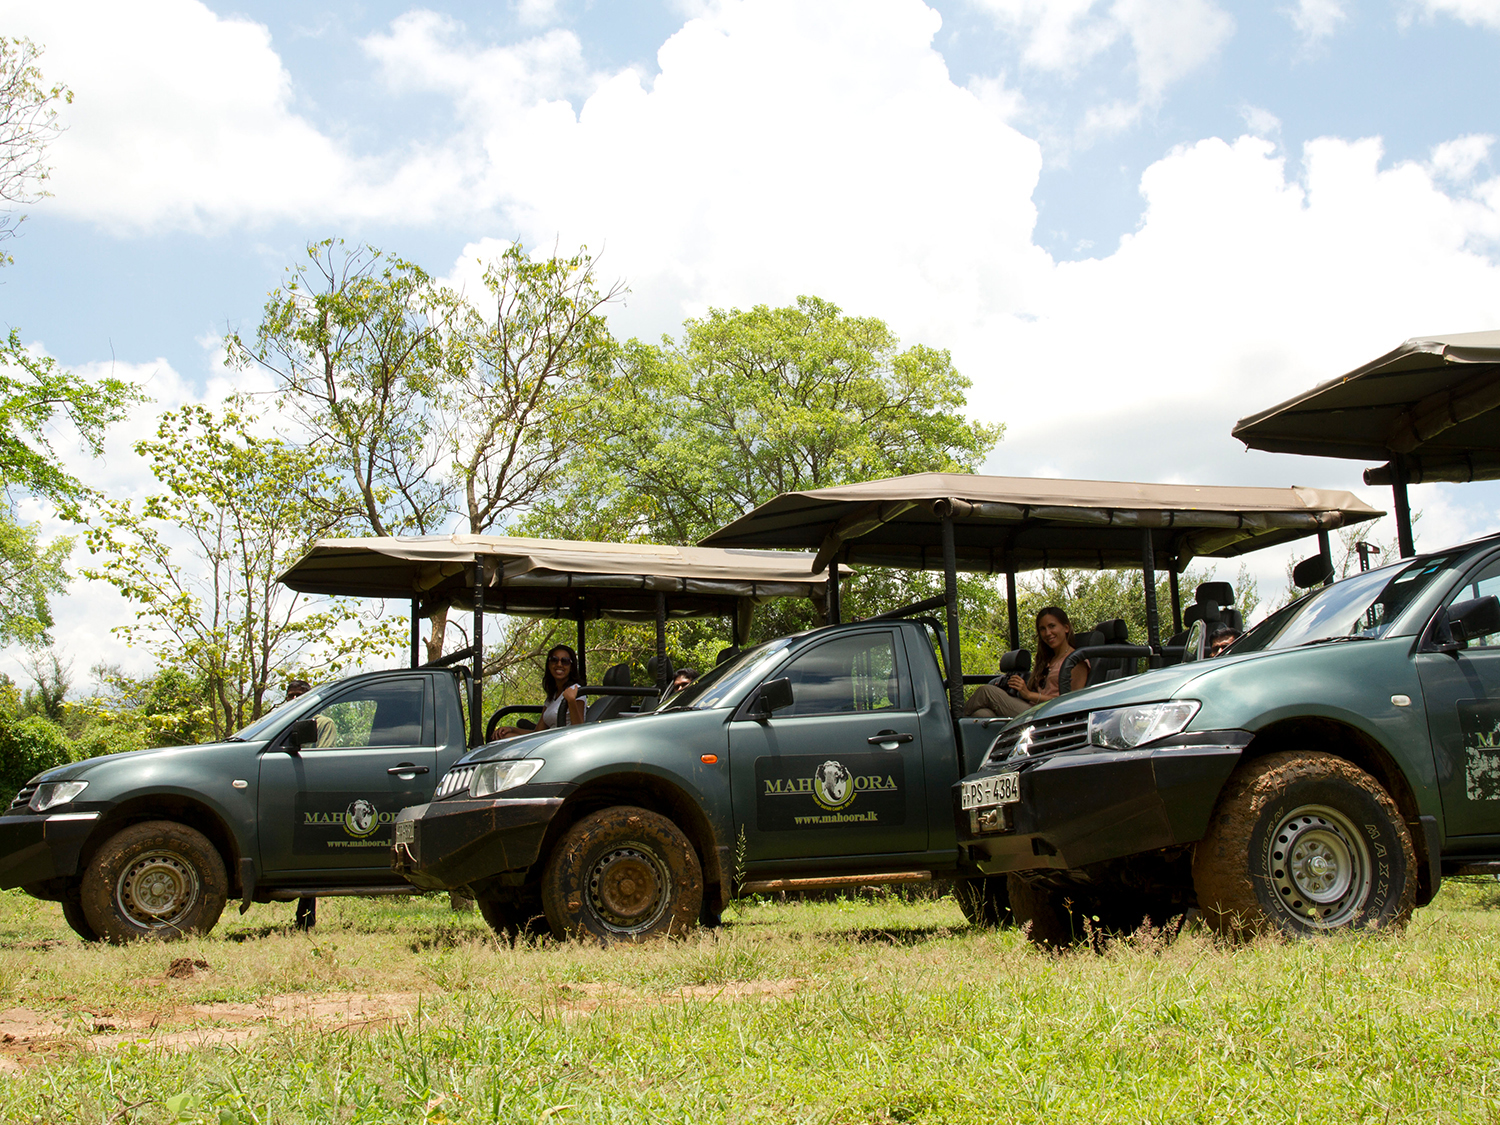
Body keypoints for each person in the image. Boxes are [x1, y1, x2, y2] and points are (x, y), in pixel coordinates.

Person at [964, 607, 1090, 719]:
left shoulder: (1076, 661)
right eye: (1042, 629)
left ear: (1066, 628)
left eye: (1052, 626)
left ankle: (948, 725)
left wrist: (1029, 695)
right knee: (982, 715)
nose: (1047, 633)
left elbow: (1071, 702)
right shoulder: (1048, 660)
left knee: (986, 691)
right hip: (1033, 709)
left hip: (1050, 714)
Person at [490, 645, 588, 739]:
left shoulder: (575, 691)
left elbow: (579, 731)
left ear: (571, 667)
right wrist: (511, 729)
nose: (559, 664)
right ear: (549, 665)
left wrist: (571, 701)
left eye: (565, 661)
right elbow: (537, 733)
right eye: (554, 660)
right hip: (545, 740)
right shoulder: (553, 695)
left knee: (507, 739)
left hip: (561, 745)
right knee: (503, 736)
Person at [285, 678, 335, 747]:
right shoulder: (282, 725)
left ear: (308, 699)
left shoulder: (323, 723)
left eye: (298, 696)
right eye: (291, 696)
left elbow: (324, 755)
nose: (294, 699)